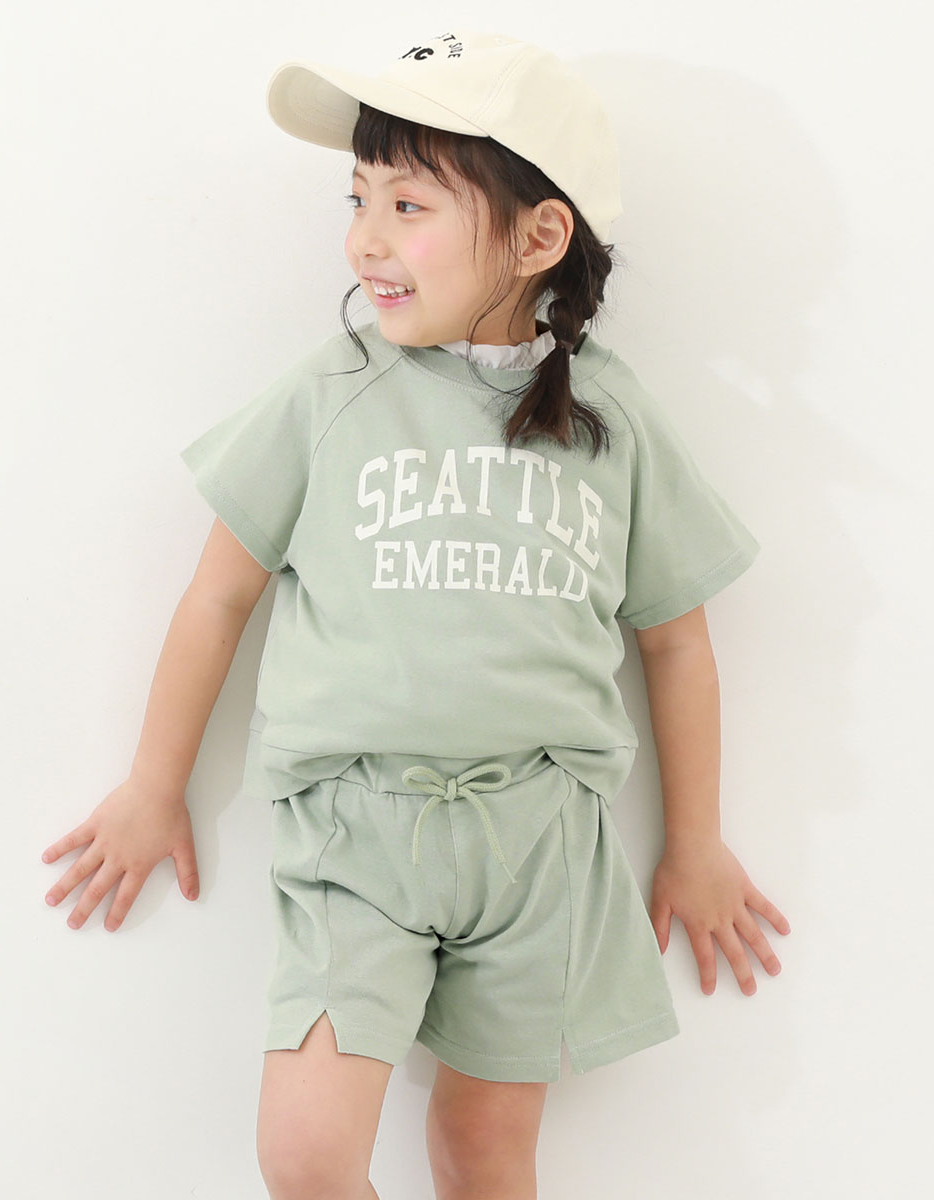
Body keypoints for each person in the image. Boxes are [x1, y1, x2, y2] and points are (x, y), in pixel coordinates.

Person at [41, 28, 791, 1200]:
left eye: (408, 204)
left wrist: (693, 842)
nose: (365, 239)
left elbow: (675, 640)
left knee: (484, 1151)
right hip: (358, 834)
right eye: (359, 199)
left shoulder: (609, 419)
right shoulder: (334, 389)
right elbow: (219, 593)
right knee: (305, 1153)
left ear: (538, 238)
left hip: (540, 842)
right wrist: (153, 783)